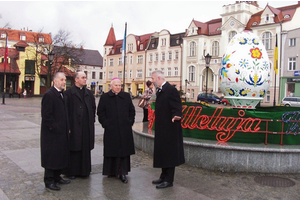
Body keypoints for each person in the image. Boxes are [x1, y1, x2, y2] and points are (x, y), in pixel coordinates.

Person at [97, 77, 135, 184]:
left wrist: (130, 122)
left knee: (123, 152)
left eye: (119, 85)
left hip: (124, 129)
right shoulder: (105, 97)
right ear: (111, 86)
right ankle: (111, 171)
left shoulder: (126, 96)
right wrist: (106, 124)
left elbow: (131, 110)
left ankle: (122, 173)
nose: (118, 87)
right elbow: (100, 112)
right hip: (111, 129)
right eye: (116, 85)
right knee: (111, 150)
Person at [151, 70, 185, 189]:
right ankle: (163, 175)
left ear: (159, 78)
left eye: (153, 78)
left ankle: (169, 180)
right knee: (162, 152)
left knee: (169, 153)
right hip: (162, 127)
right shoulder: (161, 90)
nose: (152, 80)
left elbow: (177, 105)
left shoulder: (170, 90)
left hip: (170, 128)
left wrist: (177, 114)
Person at [40, 72, 71, 191]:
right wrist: (55, 128)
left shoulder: (63, 95)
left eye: (65, 79)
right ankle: (49, 180)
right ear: (55, 81)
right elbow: (47, 116)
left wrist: (67, 127)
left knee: (60, 155)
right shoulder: (49, 95)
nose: (64, 82)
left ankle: (57, 177)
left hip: (62, 132)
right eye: (62, 79)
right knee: (51, 157)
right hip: (51, 134)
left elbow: (65, 114)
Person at [63, 71, 96, 179]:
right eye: (82, 77)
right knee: (74, 148)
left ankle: (84, 171)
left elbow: (93, 108)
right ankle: (72, 171)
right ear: (76, 80)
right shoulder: (68, 93)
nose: (85, 79)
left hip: (86, 126)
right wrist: (68, 126)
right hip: (74, 126)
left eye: (85, 77)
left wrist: (92, 120)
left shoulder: (89, 93)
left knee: (85, 148)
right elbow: (65, 111)